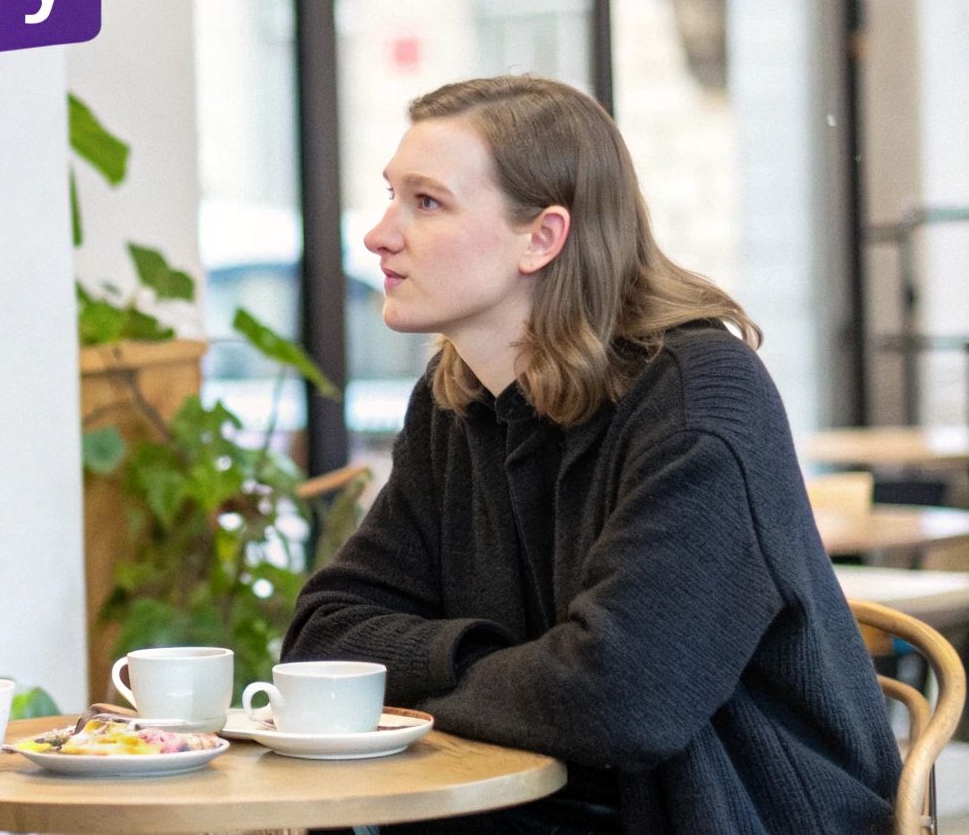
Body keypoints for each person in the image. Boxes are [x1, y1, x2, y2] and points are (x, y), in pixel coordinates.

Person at [284, 76, 900, 834]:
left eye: (426, 202)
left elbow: (622, 701)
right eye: (390, 196)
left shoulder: (699, 396)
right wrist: (516, 662)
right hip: (532, 807)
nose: (379, 234)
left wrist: (417, 680)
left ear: (541, 237)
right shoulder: (454, 402)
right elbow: (323, 635)